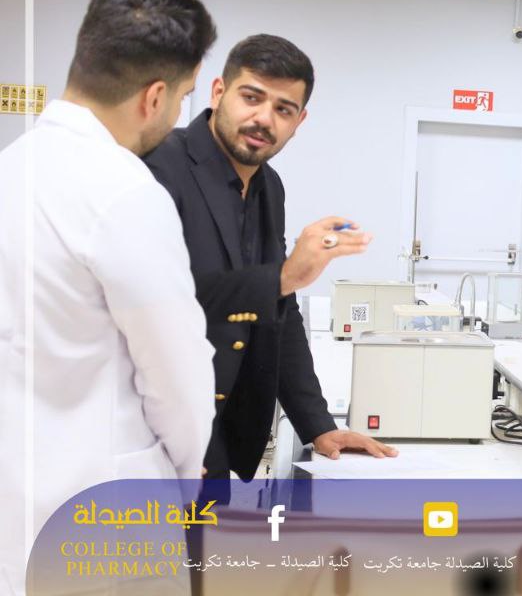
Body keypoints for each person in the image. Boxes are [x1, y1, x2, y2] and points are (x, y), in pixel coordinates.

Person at [0, 0, 218, 594]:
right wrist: (183, 479)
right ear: (155, 97)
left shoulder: (12, 169)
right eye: (184, 97)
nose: (178, 115)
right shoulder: (124, 192)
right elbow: (178, 376)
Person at [143, 34, 396, 488]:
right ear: (218, 92)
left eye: (283, 109)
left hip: (216, 437)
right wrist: (284, 276)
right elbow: (148, 303)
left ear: (299, 121)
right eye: (251, 97)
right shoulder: (159, 166)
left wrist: (318, 425)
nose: (264, 118)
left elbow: (279, 309)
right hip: (150, 437)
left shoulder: (269, 186)